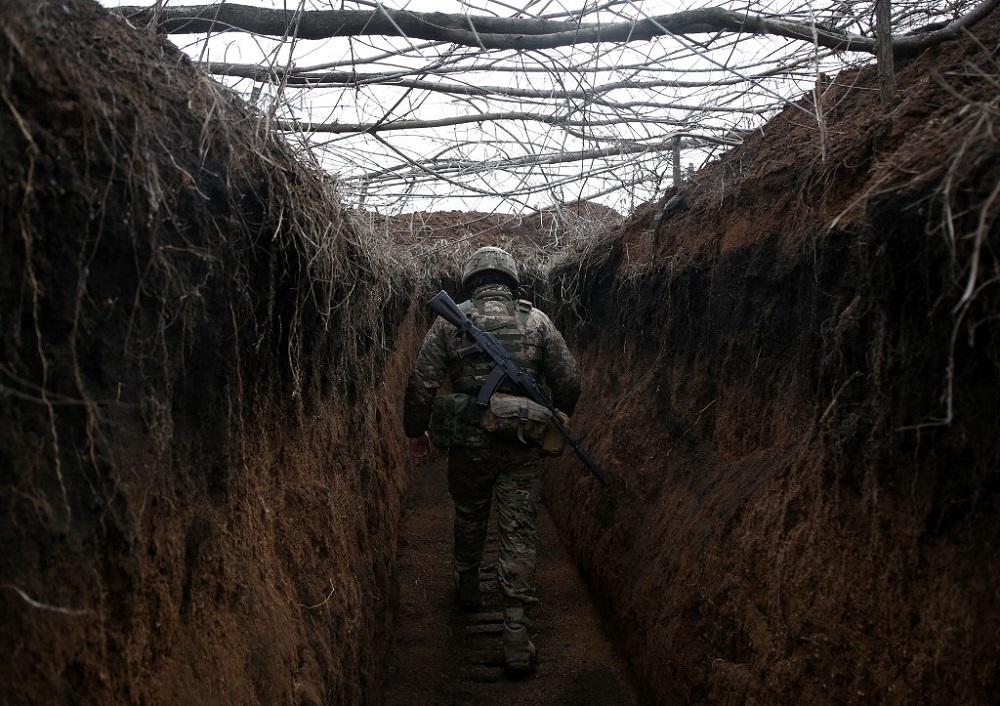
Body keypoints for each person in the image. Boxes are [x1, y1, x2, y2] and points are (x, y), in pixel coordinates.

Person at [403, 246, 581, 674]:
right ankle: (516, 631)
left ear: (471, 281)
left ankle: (467, 588)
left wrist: (415, 431)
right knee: (518, 528)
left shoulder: (449, 325)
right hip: (521, 445)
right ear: (511, 279)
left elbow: (421, 383)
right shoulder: (536, 321)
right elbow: (569, 381)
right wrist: (549, 412)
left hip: (468, 445)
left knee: (469, 514)